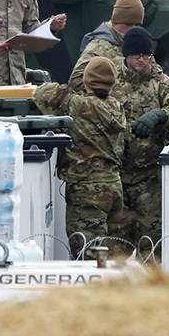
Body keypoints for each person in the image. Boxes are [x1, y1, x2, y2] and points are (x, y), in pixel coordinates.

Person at [32, 56, 128, 258]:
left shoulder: (78, 104)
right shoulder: (117, 108)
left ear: (87, 81)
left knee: (87, 255)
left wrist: (72, 87)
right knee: (114, 253)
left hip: (87, 191)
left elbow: (41, 93)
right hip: (114, 185)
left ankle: (92, 289)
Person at [111, 27, 169, 247]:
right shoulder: (111, 78)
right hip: (116, 175)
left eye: (146, 55)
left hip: (148, 178)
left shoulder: (159, 80)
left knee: (151, 243)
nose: (142, 60)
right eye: (137, 55)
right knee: (116, 243)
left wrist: (161, 115)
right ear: (126, 55)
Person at [68, 0, 145, 91]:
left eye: (137, 25)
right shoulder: (99, 46)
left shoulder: (137, 43)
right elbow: (76, 82)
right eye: (129, 24)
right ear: (117, 21)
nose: (133, 29)